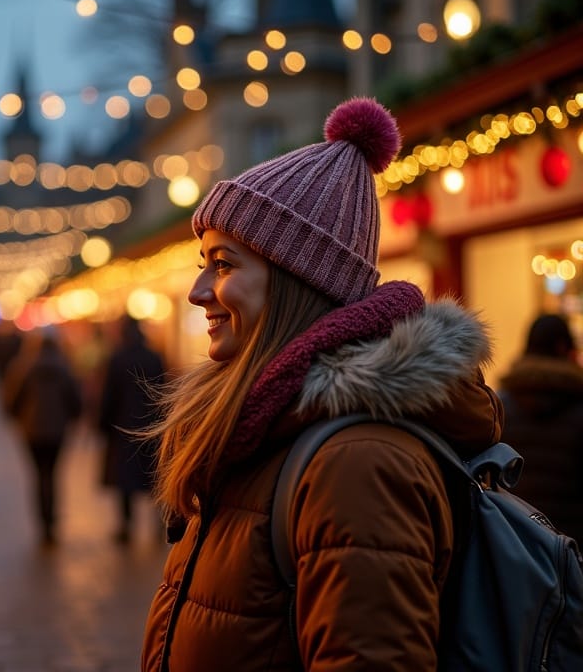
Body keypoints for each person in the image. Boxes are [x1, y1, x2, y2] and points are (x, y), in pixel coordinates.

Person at [139, 97, 503, 671]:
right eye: (202, 263)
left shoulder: (357, 464)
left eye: (225, 264)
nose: (198, 290)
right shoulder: (260, 428)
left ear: (295, 281)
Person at [498, 313, 583, 543]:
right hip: (572, 547)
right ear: (563, 347)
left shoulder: (500, 406)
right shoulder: (578, 407)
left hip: (516, 542)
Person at [3, 331, 83, 546]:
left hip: (31, 430)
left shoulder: (23, 367)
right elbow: (75, 400)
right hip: (58, 430)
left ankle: (43, 522)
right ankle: (52, 520)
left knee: (39, 474)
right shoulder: (65, 367)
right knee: (53, 473)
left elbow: (11, 399)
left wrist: (18, 417)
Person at [99, 315, 166, 545]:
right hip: (151, 425)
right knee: (152, 477)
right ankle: (158, 524)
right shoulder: (154, 357)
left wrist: (103, 424)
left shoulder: (118, 358)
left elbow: (109, 395)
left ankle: (126, 526)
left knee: (125, 480)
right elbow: (163, 390)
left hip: (123, 427)